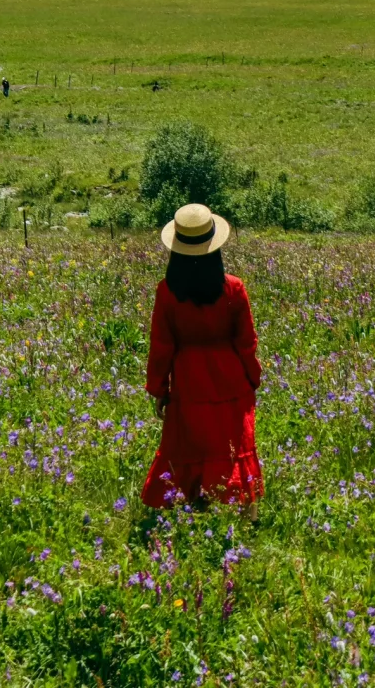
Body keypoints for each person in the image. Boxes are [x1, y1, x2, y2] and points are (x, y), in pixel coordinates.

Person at [142, 202, 263, 515]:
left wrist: (159, 389)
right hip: (230, 379)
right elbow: (246, 342)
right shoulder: (234, 289)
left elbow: (162, 346)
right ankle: (240, 512)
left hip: (188, 380)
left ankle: (193, 504)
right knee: (231, 444)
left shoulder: (167, 292)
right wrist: (253, 378)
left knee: (192, 443)